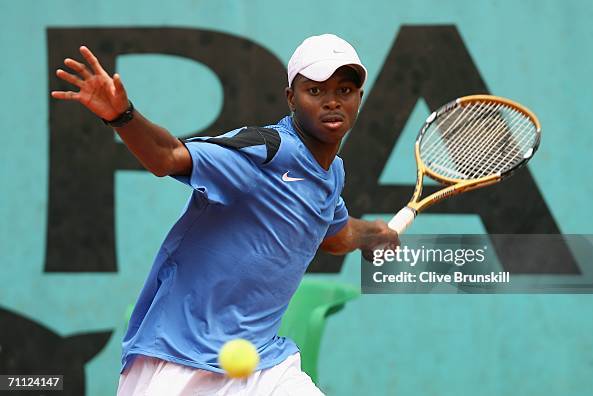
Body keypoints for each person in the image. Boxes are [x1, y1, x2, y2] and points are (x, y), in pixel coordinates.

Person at [52, 33, 399, 395]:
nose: (332, 102)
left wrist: (370, 237)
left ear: (359, 97)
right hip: (177, 360)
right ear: (291, 98)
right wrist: (121, 115)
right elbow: (167, 156)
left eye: (344, 91)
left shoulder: (332, 173)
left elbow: (332, 233)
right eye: (316, 91)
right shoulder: (265, 151)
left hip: (264, 362)